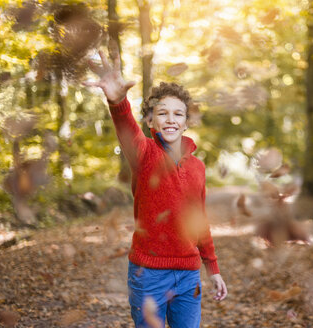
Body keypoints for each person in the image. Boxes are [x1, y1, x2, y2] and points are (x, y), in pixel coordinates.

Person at [84, 48, 228, 328]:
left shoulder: (198, 168)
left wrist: (213, 269)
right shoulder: (144, 154)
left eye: (178, 114)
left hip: (188, 274)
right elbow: (126, 126)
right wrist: (117, 101)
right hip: (148, 274)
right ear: (151, 121)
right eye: (162, 113)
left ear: (187, 122)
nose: (171, 119)